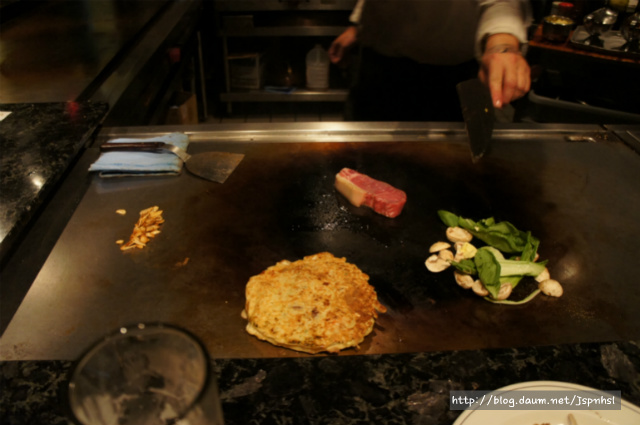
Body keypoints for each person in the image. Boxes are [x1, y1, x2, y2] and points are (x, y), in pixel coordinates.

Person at [329, 0, 532, 121]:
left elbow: (503, 3)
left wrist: (502, 45)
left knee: (448, 164)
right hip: (379, 65)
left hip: (450, 74)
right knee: (362, 159)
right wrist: (361, 25)